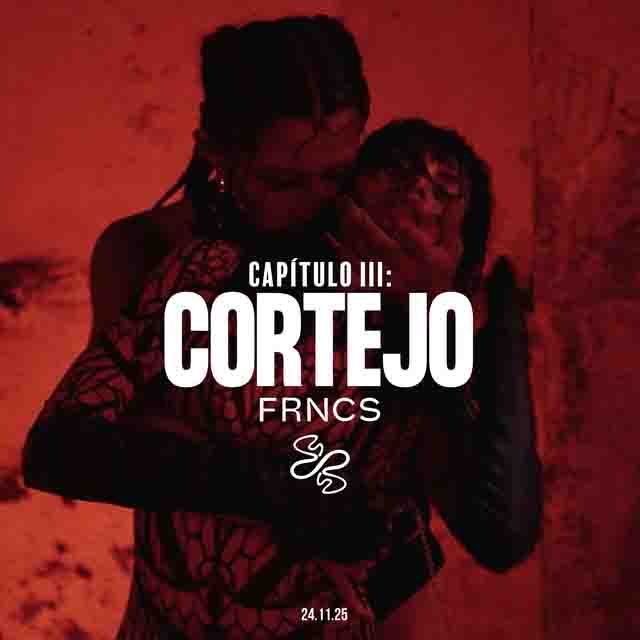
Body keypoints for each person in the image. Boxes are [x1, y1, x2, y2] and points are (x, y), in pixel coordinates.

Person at [21, 15, 541, 639]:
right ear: (219, 152)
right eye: (283, 180)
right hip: (179, 614)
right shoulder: (159, 257)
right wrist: (281, 485)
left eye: (335, 174)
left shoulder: (382, 254)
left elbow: (489, 521)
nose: (319, 201)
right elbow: (87, 444)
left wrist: (454, 321)